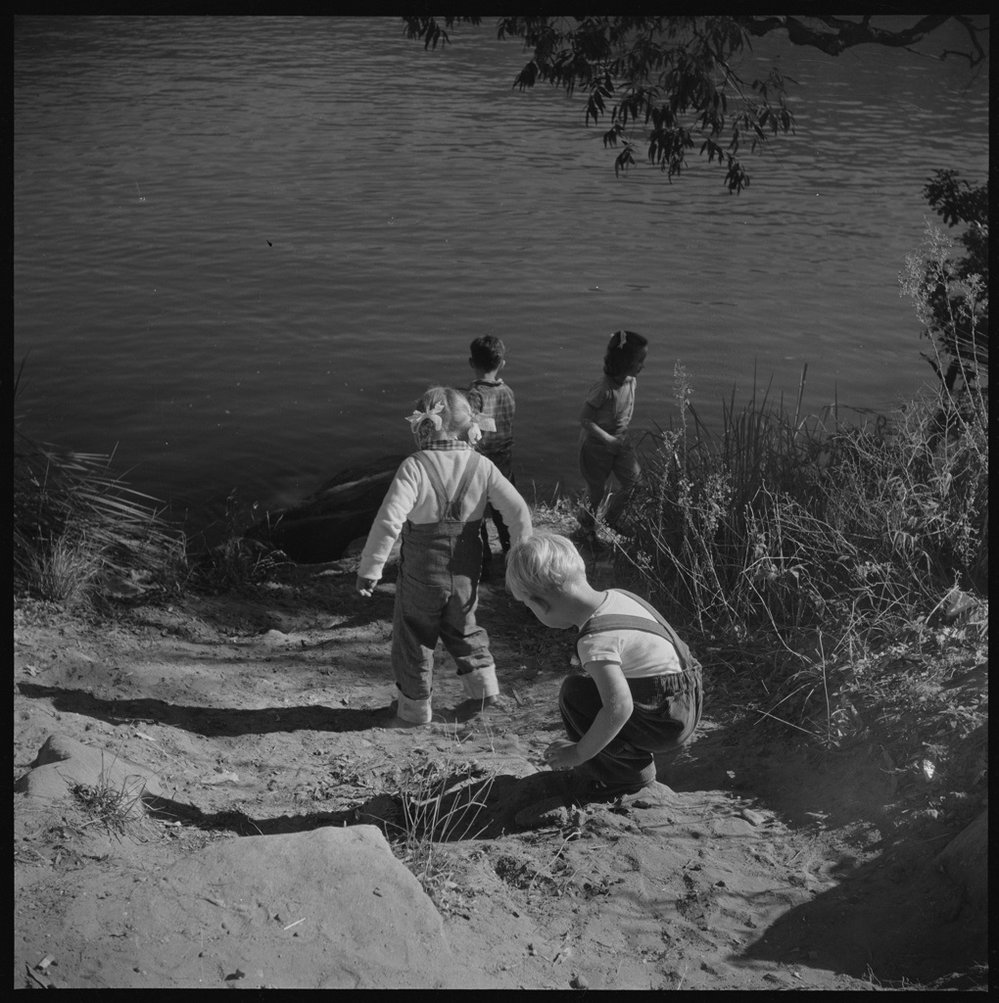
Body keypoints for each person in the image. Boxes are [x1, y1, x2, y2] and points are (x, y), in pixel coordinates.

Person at [356, 386, 532, 726]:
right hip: (466, 573)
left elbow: (389, 521)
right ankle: (484, 690)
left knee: (414, 636)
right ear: (468, 425)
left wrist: (371, 568)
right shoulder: (482, 466)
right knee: (464, 628)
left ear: (423, 426)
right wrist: (518, 554)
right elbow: (518, 511)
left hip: (421, 577)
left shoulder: (415, 467)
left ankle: (414, 710)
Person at [505, 531, 702, 804]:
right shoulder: (619, 596)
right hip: (687, 701)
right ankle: (620, 764)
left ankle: (623, 777)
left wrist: (578, 753)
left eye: (529, 607)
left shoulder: (594, 640)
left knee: (575, 694)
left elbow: (619, 708)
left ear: (541, 604)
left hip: (663, 724)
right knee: (593, 689)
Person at [578, 329, 649, 537]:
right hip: (595, 446)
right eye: (639, 361)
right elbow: (585, 419)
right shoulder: (603, 388)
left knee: (636, 485)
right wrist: (608, 439)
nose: (643, 365)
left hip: (621, 443)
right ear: (624, 362)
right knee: (596, 491)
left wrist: (617, 439)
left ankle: (611, 518)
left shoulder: (631, 380)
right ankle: (585, 529)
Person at [466, 335, 516, 578]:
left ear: (471, 362)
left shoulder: (474, 396)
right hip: (504, 460)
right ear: (502, 363)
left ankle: (483, 562)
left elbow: (471, 429)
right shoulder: (508, 392)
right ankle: (511, 554)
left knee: (476, 513)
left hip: (481, 463)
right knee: (503, 511)